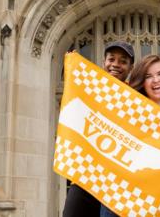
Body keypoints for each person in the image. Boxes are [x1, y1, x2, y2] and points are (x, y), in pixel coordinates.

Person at [63, 41, 135, 217]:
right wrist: (73, 66)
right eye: (112, 59)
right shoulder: (89, 88)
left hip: (116, 182)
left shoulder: (135, 97)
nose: (116, 64)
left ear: (131, 67)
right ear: (104, 62)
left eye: (123, 61)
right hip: (84, 175)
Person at [100, 54, 160, 217]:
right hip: (118, 193)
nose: (155, 80)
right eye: (148, 76)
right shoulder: (127, 106)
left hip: (157, 197)